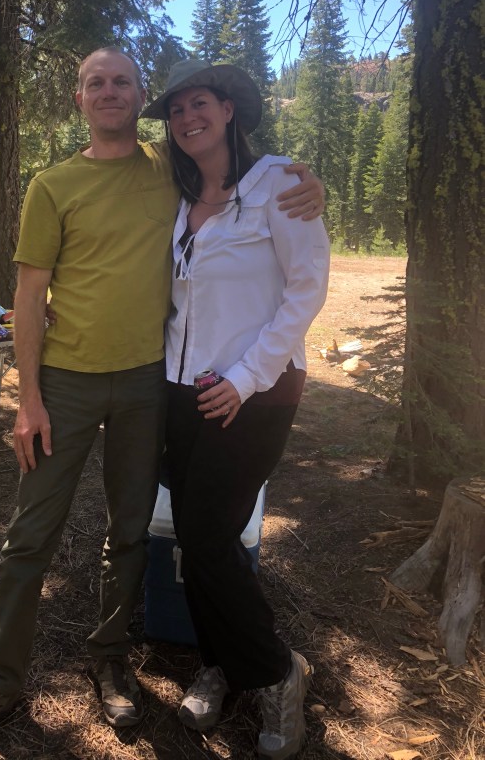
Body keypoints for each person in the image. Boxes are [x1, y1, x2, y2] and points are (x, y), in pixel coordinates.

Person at [0, 47, 325, 760]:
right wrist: (27, 399)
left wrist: (310, 185)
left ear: (140, 97)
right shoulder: (58, 184)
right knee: (31, 535)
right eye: (96, 83)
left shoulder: (174, 170)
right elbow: (28, 295)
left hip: (155, 384)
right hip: (73, 384)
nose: (109, 92)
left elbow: (260, 200)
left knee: (135, 533)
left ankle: (112, 657)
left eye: (122, 82)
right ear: (79, 99)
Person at [140, 59, 330, 759]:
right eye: (176, 110)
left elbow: (307, 289)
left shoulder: (279, 183)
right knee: (198, 537)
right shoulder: (181, 194)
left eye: (200, 104)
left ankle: (278, 672)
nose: (187, 118)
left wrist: (246, 377)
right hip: (182, 390)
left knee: (209, 535)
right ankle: (218, 663)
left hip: (255, 392)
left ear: (227, 111)